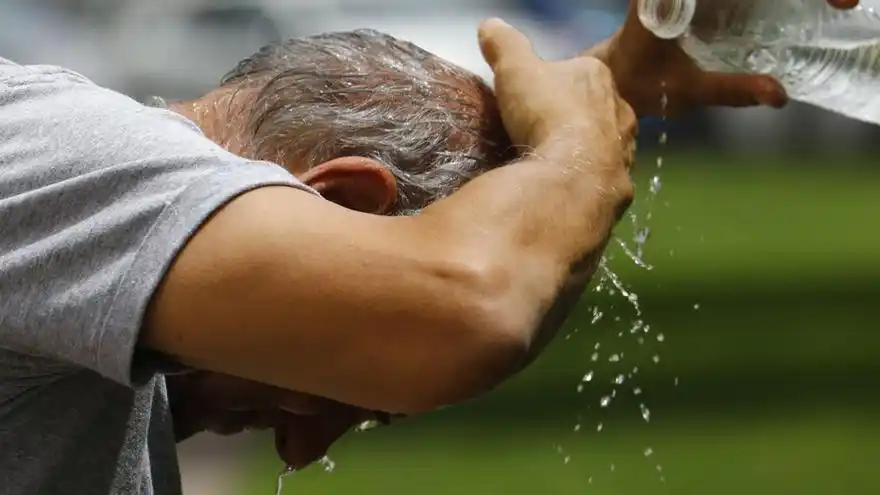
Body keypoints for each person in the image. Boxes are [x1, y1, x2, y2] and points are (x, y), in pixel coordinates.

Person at [0, 0, 858, 493]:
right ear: (343, 203)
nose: (303, 448)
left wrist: (605, 89)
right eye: (352, 387)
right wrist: (577, 154)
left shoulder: (76, 232)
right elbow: (465, 308)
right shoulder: (46, 146)